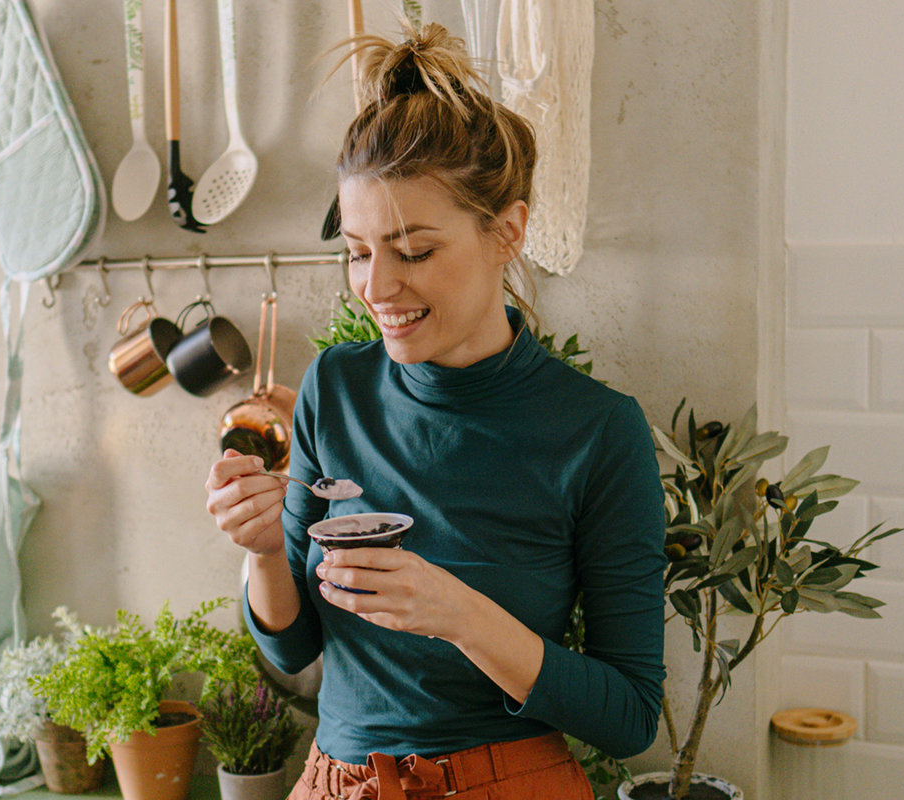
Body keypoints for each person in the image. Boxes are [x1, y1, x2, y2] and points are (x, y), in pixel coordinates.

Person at [204, 23, 665, 800]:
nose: (376, 288)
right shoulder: (333, 391)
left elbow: (629, 717)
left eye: (413, 251)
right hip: (336, 783)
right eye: (357, 251)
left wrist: (458, 614)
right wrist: (259, 552)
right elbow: (293, 652)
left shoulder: (595, 433)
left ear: (506, 232)